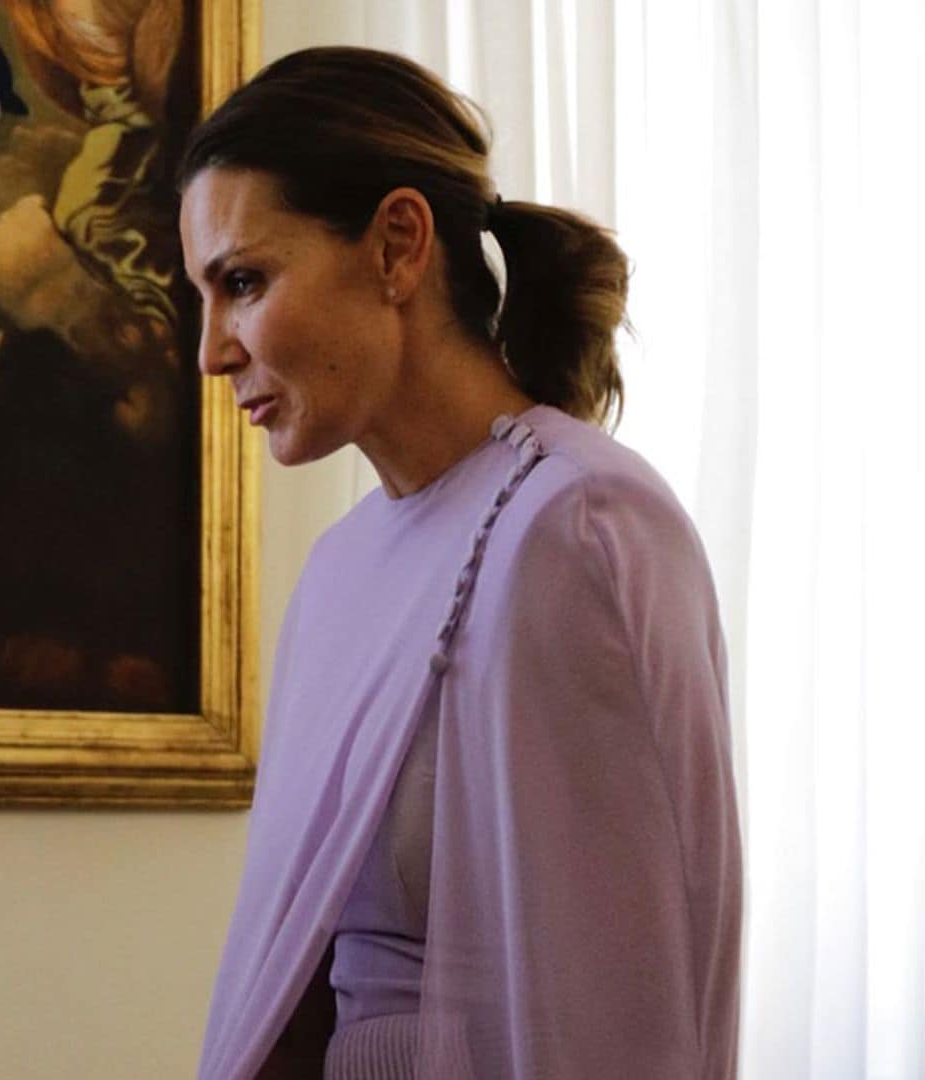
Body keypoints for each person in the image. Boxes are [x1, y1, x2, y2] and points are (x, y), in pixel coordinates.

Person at [179, 48, 740, 1079]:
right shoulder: (339, 570)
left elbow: (629, 1006)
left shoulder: (580, 527)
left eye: (244, 283)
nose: (211, 350)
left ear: (397, 246)